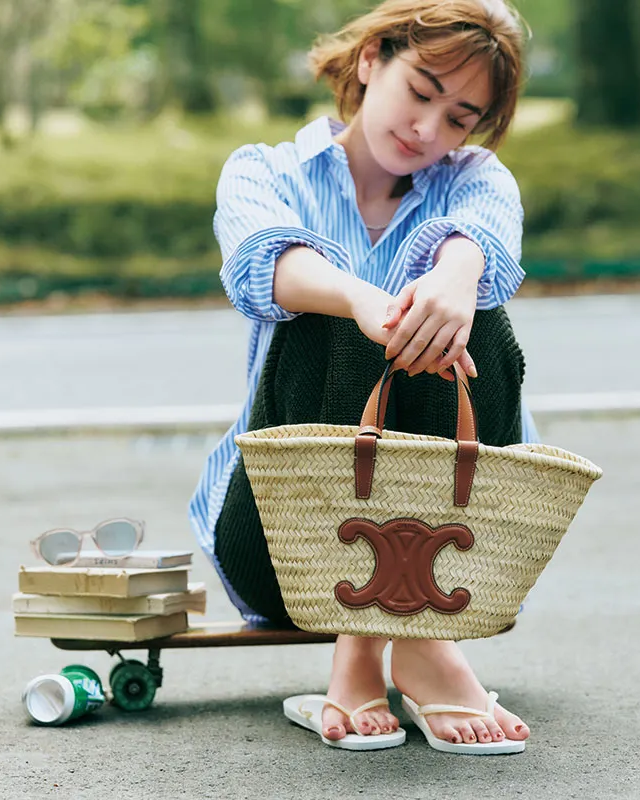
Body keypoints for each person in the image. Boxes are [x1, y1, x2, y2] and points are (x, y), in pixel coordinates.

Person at [189, 0, 535, 752]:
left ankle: (403, 642)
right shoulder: (264, 170)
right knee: (329, 309)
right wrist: (362, 300)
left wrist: (457, 272)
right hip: (287, 545)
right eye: (421, 91)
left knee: (478, 307)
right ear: (373, 59)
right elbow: (262, 264)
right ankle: (382, 639)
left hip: (454, 551)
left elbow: (486, 232)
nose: (428, 130)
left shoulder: (475, 179)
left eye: (459, 118)